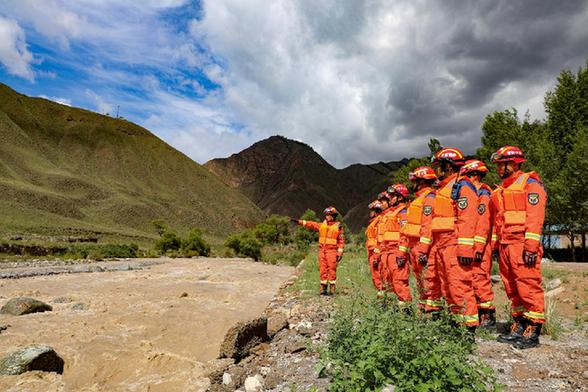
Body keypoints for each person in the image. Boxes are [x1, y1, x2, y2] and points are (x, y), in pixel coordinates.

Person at [491, 146, 547, 349]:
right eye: (497, 165)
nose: (498, 168)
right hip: (506, 244)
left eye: (501, 164)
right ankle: (519, 325)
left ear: (514, 164)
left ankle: (533, 330)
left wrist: (531, 246)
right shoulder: (502, 189)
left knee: (528, 285)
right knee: (512, 288)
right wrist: (496, 245)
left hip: (522, 244)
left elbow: (535, 217)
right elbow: (499, 220)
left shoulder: (531, 184)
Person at [426, 147, 479, 330]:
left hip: (454, 244)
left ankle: (467, 329)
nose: (436, 171)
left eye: (439, 167)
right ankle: (456, 324)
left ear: (448, 167)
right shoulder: (445, 188)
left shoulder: (462, 186)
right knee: (448, 287)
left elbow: (467, 218)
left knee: (459, 286)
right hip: (442, 244)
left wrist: (465, 248)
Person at [459, 159, 496, 328]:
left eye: (467, 176)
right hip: (472, 244)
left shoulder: (483, 193)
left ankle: (488, 317)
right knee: (472, 279)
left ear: (475, 175)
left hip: (480, 244)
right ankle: (479, 314)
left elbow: (483, 222)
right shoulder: (474, 192)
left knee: (480, 279)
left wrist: (479, 247)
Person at [400, 166, 437, 303]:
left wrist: (423, 250)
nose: (412, 184)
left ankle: (432, 311)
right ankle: (424, 308)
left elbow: (427, 225)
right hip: (415, 246)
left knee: (428, 279)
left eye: (414, 181)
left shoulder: (428, 198)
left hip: (422, 246)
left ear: (421, 182)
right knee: (420, 279)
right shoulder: (418, 199)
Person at [293, 207, 345, 295]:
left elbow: (341, 241)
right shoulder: (322, 225)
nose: (327, 216)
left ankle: (332, 288)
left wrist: (339, 253)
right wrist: (299, 221)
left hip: (331, 251)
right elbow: (311, 224)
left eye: (328, 215)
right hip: (322, 250)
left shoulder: (338, 227)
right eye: (327, 215)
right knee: (322, 269)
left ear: (333, 216)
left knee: (332, 269)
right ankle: (323, 287)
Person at [376, 185, 411, 304]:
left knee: (399, 281)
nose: (389, 198)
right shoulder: (390, 213)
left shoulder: (403, 212)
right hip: (388, 251)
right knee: (390, 280)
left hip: (397, 251)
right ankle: (394, 308)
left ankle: (406, 311)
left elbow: (405, 234)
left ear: (400, 197)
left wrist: (402, 253)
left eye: (392, 196)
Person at [366, 200, 385, 296]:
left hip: (376, 252)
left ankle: (383, 299)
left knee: (379, 275)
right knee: (376, 276)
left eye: (372, 210)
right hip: (372, 251)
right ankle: (381, 296)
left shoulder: (379, 222)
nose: (370, 213)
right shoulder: (375, 221)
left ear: (376, 210)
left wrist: (377, 255)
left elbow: (379, 238)